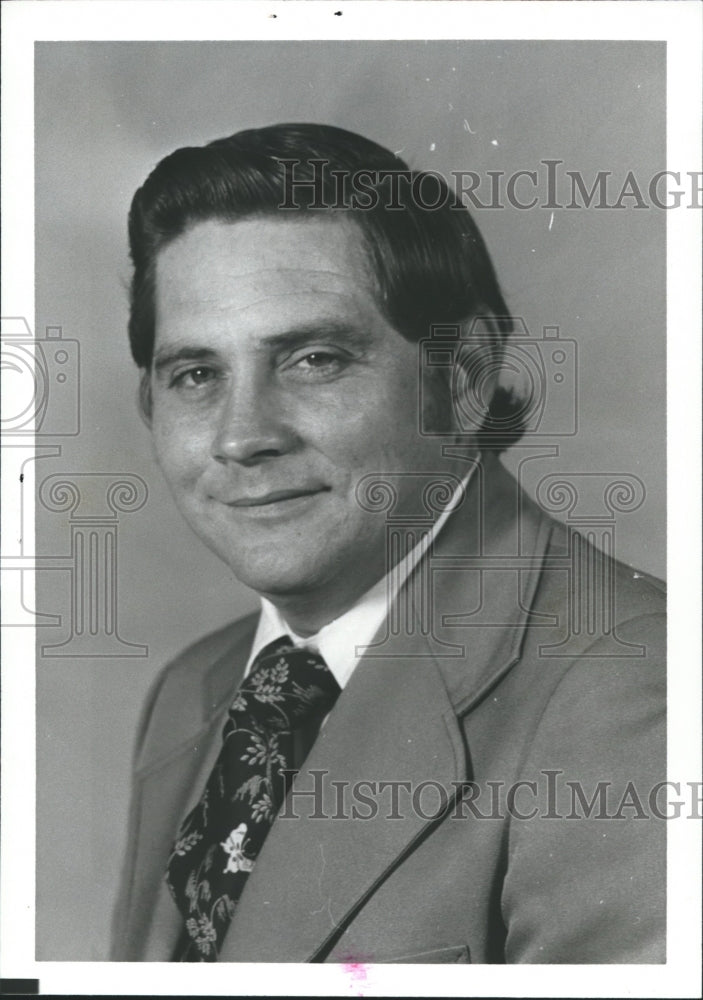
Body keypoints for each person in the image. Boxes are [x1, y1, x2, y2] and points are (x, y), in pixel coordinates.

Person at [111, 123, 665, 964]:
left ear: (465, 376)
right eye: (196, 375)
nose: (240, 436)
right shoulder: (197, 689)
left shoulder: (636, 698)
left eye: (313, 359)